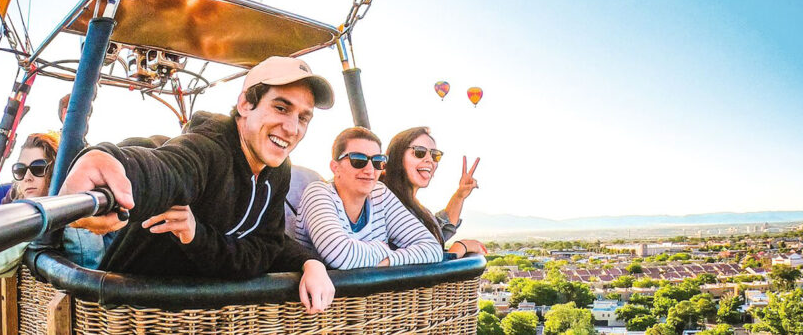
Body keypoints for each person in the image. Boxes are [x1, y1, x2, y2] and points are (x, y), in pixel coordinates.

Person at [60, 56, 337, 314]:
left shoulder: (277, 171)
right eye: (280, 107)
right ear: (245, 105)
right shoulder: (207, 149)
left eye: (303, 117)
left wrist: (309, 263)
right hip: (135, 313)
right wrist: (111, 164)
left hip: (203, 316)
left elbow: (266, 247)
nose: (292, 128)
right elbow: (168, 169)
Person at [293, 127, 443, 270]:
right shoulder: (318, 193)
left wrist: (389, 261)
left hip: (373, 295)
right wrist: (385, 248)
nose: (370, 170)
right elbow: (340, 256)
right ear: (335, 167)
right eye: (358, 160)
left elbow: (433, 248)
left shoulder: (380, 194)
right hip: (327, 295)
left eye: (378, 161)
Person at [0, 133, 105, 276]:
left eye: (37, 168)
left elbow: (89, 268)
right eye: (20, 170)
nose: (27, 177)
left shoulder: (77, 203)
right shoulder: (11, 202)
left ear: (55, 171)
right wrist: (35, 223)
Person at [381, 126, 486, 257]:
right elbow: (420, 263)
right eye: (419, 152)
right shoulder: (386, 204)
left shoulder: (410, 205)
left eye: (434, 155)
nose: (429, 160)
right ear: (397, 156)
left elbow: (436, 232)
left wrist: (460, 195)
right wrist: (460, 248)